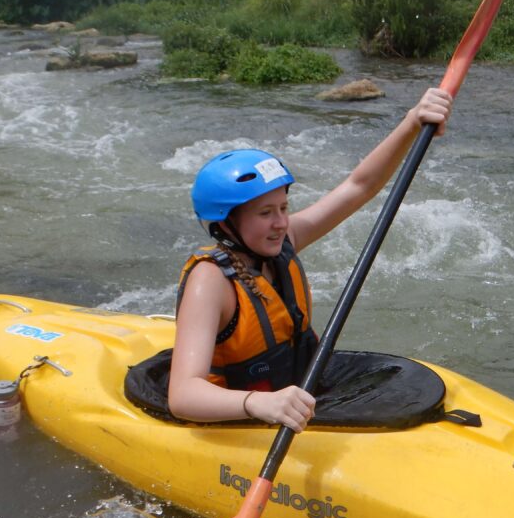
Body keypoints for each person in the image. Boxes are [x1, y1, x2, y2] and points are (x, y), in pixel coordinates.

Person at [169, 87, 453, 433]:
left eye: (283, 208)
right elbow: (182, 395)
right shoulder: (211, 281)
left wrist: (411, 123)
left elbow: (358, 186)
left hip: (292, 398)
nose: (281, 223)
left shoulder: (282, 242)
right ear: (225, 223)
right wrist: (258, 403)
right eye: (264, 213)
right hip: (236, 416)